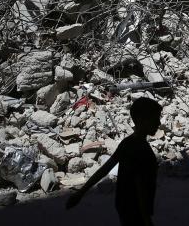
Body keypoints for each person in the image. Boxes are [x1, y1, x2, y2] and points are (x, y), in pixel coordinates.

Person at [66, 97, 162, 226]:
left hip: (123, 205)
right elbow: (140, 189)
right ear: (141, 120)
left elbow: (105, 169)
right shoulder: (142, 150)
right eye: (155, 118)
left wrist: (81, 193)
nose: (159, 123)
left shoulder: (127, 143)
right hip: (135, 210)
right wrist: (147, 220)